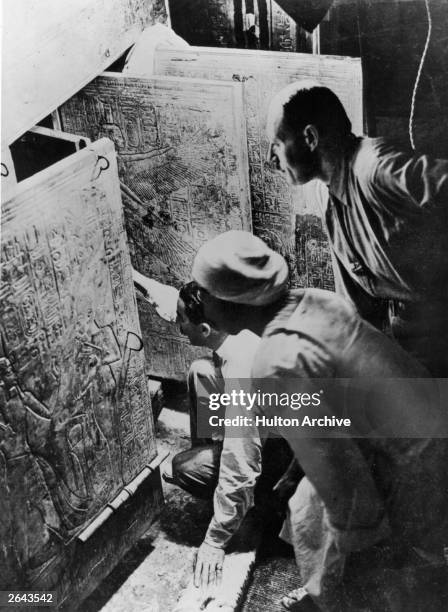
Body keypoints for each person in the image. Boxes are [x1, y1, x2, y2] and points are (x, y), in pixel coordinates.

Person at [190, 230, 448, 612]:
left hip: (415, 462)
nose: (199, 299)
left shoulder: (276, 361)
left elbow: (345, 487)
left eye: (205, 291)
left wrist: (341, 577)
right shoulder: (315, 301)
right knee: (308, 504)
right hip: (430, 420)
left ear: (233, 303)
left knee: (325, 525)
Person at [266, 80, 448, 376]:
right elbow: (357, 312)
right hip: (413, 345)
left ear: (310, 137)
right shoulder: (330, 201)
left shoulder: (375, 167)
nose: (271, 160)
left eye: (276, 144)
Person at [132, 269, 264, 590]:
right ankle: (216, 469)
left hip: (288, 460)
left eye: (182, 322)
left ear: (204, 329)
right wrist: (134, 276)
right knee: (201, 371)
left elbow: (243, 463)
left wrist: (215, 540)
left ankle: (252, 508)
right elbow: (173, 299)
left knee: (185, 467)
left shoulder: (242, 369)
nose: (178, 327)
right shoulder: (231, 322)